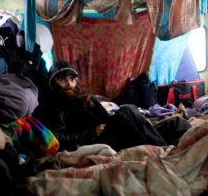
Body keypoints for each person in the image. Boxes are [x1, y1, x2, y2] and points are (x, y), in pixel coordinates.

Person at [33, 61, 167, 152]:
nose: (69, 83)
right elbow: (57, 138)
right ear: (53, 83)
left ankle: (165, 147)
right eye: (63, 79)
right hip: (92, 142)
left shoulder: (88, 99)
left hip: (108, 135)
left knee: (174, 124)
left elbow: (108, 120)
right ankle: (163, 151)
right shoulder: (52, 106)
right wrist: (92, 133)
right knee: (127, 111)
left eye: (72, 79)